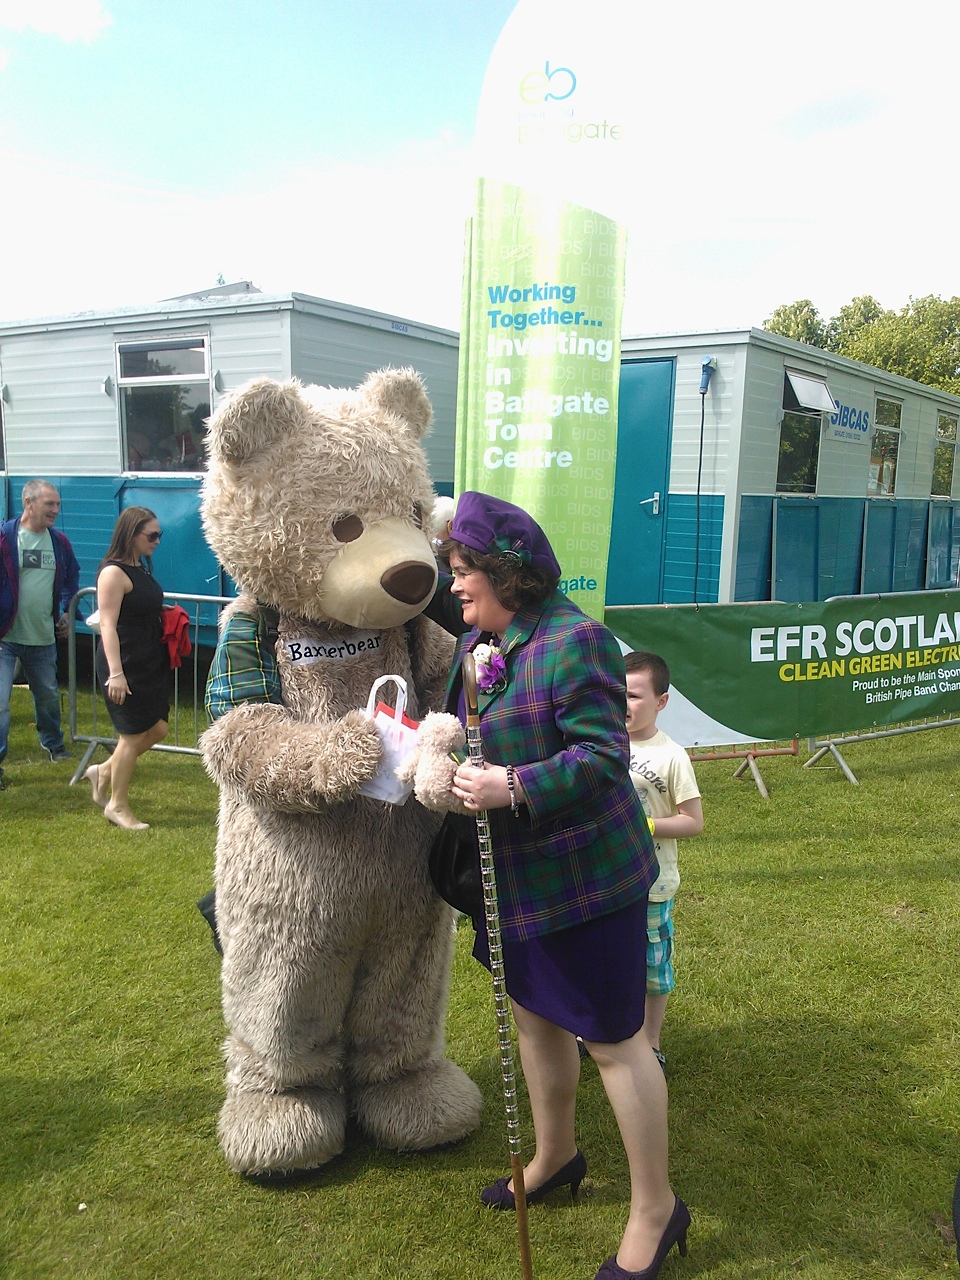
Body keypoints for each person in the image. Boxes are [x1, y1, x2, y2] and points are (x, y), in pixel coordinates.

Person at [426, 491, 689, 1280]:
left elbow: (605, 757)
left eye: (466, 569)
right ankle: (557, 1157)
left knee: (615, 1042)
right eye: (453, 568)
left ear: (511, 572)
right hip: (515, 882)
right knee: (536, 1022)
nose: (456, 584)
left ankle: (657, 1208)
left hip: (587, 881)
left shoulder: (579, 641)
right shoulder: (479, 639)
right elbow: (469, 729)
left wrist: (512, 784)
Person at [623, 650, 703, 1072]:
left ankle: (650, 1042)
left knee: (652, 967)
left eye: (635, 696)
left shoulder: (672, 757)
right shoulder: (599, 745)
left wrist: (648, 826)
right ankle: (600, 1029)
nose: (625, 704)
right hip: (607, 882)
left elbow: (693, 822)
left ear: (661, 701)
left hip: (653, 885)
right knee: (610, 959)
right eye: (619, 694)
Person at [85, 507, 169, 830]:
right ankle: (117, 805)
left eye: (159, 534)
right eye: (152, 535)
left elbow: (140, 606)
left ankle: (104, 771)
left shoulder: (140, 567)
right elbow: (107, 624)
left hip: (149, 658)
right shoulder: (113, 573)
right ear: (131, 534)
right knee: (131, 736)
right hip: (124, 661)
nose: (157, 541)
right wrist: (116, 674)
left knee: (158, 728)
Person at [0, 479, 80, 787]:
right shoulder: (6, 539)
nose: (56, 510)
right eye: (50, 504)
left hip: (43, 638)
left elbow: (71, 577)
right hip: (5, 638)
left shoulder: (59, 542)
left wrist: (65, 609)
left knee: (47, 697)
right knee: (1, 703)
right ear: (29, 503)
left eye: (58, 504)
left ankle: (53, 744)